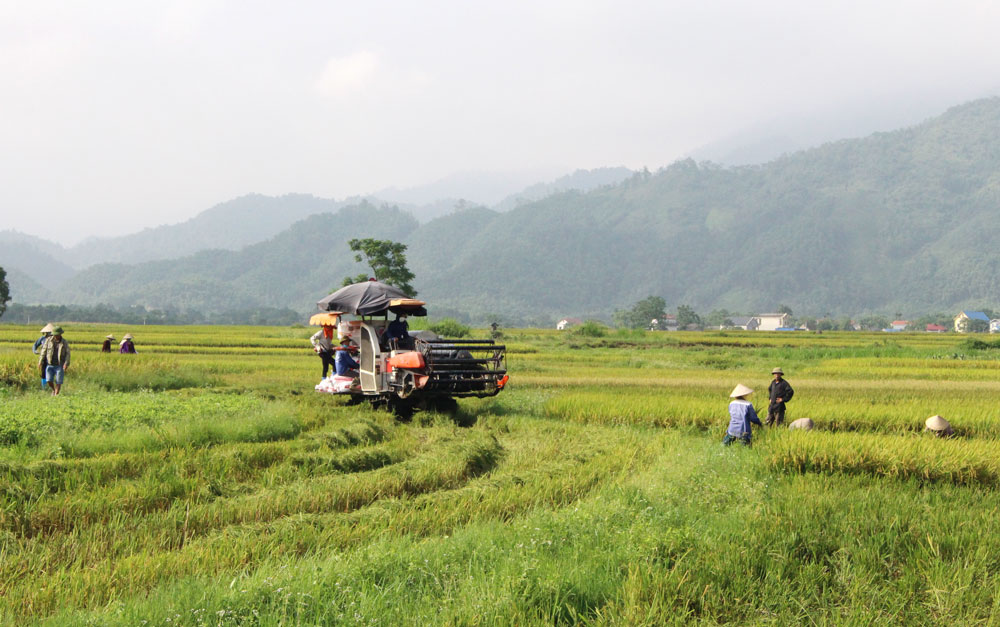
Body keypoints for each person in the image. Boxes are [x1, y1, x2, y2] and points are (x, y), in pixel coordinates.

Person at [40, 326, 70, 396]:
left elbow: (68, 354)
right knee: (49, 380)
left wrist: (66, 363)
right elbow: (43, 351)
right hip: (50, 364)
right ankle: (53, 390)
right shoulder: (48, 341)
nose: (56, 336)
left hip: (59, 365)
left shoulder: (64, 342)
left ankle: (56, 395)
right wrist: (40, 361)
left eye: (57, 335)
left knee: (58, 381)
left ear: (60, 334)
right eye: (55, 334)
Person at [33, 323, 55, 389]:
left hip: (52, 358)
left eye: (50, 333)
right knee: (43, 373)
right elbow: (35, 345)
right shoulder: (42, 339)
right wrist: (35, 351)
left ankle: (51, 387)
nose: (49, 334)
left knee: (51, 372)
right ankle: (44, 387)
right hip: (44, 358)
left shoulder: (55, 339)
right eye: (48, 333)